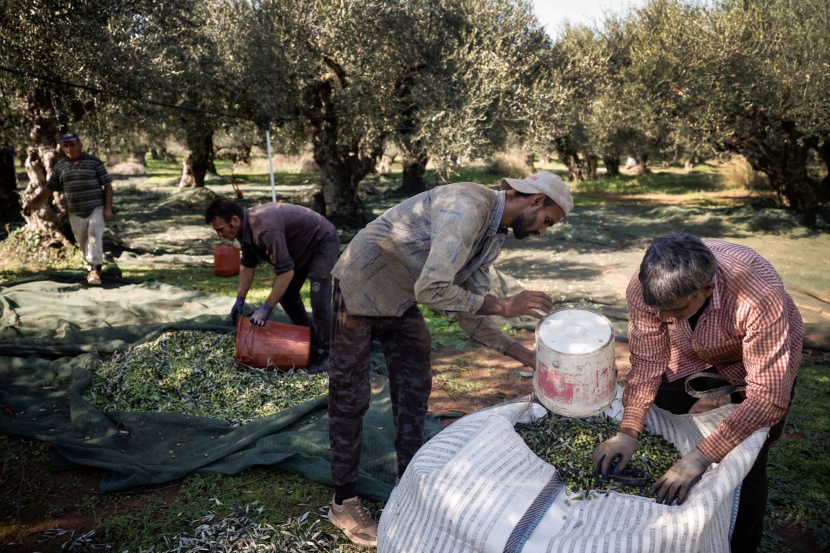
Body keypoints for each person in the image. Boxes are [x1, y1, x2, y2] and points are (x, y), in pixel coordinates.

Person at [326, 171, 573, 547]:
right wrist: (505, 305)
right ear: (536, 200)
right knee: (351, 394)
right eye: (548, 222)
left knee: (415, 383)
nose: (542, 232)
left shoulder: (491, 238)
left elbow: (468, 311)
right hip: (361, 285)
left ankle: (409, 482)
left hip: (402, 298)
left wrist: (526, 356)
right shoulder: (469, 206)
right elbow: (434, 289)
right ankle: (343, 502)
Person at [592, 233, 801, 553]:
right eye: (656, 308)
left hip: (757, 356)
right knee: (654, 424)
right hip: (687, 352)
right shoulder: (645, 285)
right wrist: (628, 431)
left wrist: (702, 456)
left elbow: (769, 396)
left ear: (707, 290)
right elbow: (648, 365)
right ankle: (654, 528)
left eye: (673, 309)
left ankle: (740, 543)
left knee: (749, 459)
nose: (661, 319)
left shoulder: (758, 293)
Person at [205, 198, 340, 370]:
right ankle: (311, 336)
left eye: (220, 229)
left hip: (322, 240)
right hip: (300, 245)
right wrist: (240, 298)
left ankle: (328, 353)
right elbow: (248, 264)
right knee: (287, 295)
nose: (219, 235)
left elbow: (286, 272)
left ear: (235, 221)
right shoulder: (244, 228)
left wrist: (266, 308)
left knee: (319, 299)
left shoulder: (264, 230)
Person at [23, 133, 113, 286]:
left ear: (80, 145)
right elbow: (48, 189)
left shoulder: (94, 163)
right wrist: (32, 203)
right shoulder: (60, 167)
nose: (69, 148)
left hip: (95, 208)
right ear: (62, 148)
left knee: (94, 235)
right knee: (83, 240)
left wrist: (108, 208)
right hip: (74, 211)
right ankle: (91, 268)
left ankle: (96, 269)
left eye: (72, 144)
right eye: (66, 145)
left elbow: (108, 186)